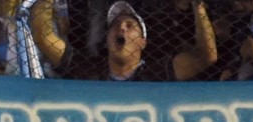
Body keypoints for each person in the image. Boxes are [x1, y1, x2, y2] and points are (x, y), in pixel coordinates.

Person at [32, 0, 218, 81]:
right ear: (106, 40)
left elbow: (206, 56)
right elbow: (44, 38)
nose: (121, 28)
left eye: (130, 25)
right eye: (115, 25)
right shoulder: (88, 68)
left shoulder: (158, 72)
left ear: (143, 42)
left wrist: (198, 6)